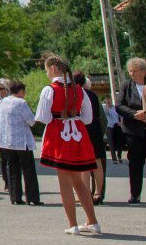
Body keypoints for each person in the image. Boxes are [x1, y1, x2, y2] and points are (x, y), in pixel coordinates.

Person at [35, 55, 100, 235]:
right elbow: (87, 118)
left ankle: (73, 224)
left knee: (64, 182)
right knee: (78, 181)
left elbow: (42, 117)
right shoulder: (80, 89)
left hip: (59, 135)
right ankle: (92, 221)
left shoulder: (50, 89)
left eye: (47, 69)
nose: (47, 73)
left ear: (53, 68)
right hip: (78, 135)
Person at [116, 57, 146, 205]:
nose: (131, 74)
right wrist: (135, 114)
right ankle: (135, 194)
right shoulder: (126, 86)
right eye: (130, 71)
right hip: (133, 131)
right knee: (135, 164)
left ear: (143, 71)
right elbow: (119, 105)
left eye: (134, 71)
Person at [0, 80, 41, 206]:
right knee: (28, 169)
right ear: (20, 91)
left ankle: (15, 197)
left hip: (7, 140)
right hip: (21, 140)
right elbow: (31, 121)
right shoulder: (21, 102)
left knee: (12, 168)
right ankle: (32, 198)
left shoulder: (4, 101)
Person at [74, 72, 107, 205]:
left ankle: (85, 193)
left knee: (84, 164)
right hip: (96, 130)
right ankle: (98, 192)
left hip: (82, 130)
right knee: (97, 162)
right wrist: (102, 132)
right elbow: (102, 117)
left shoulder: (74, 94)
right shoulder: (93, 95)